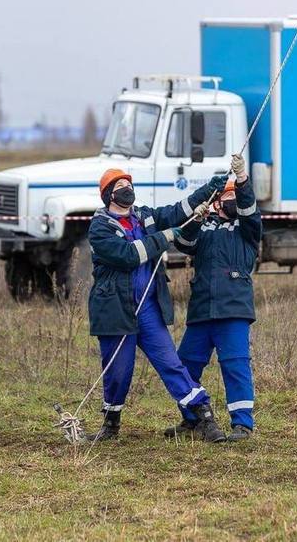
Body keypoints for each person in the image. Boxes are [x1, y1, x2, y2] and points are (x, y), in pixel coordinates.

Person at [86, 168, 228, 443]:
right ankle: (111, 425)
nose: (128, 188)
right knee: (118, 370)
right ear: (109, 195)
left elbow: (177, 211)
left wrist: (210, 190)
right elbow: (128, 255)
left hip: (149, 308)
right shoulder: (100, 227)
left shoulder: (144, 215)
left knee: (171, 364)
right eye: (121, 185)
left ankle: (202, 417)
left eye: (129, 183)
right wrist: (164, 238)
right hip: (116, 310)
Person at [166, 154, 262, 442]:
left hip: (233, 309)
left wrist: (242, 180)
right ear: (218, 202)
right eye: (228, 196)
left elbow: (249, 211)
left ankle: (242, 424)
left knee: (235, 364)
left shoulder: (247, 230)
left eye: (236, 197)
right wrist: (196, 217)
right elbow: (184, 243)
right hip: (202, 309)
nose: (233, 201)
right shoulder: (205, 227)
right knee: (185, 366)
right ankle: (192, 418)